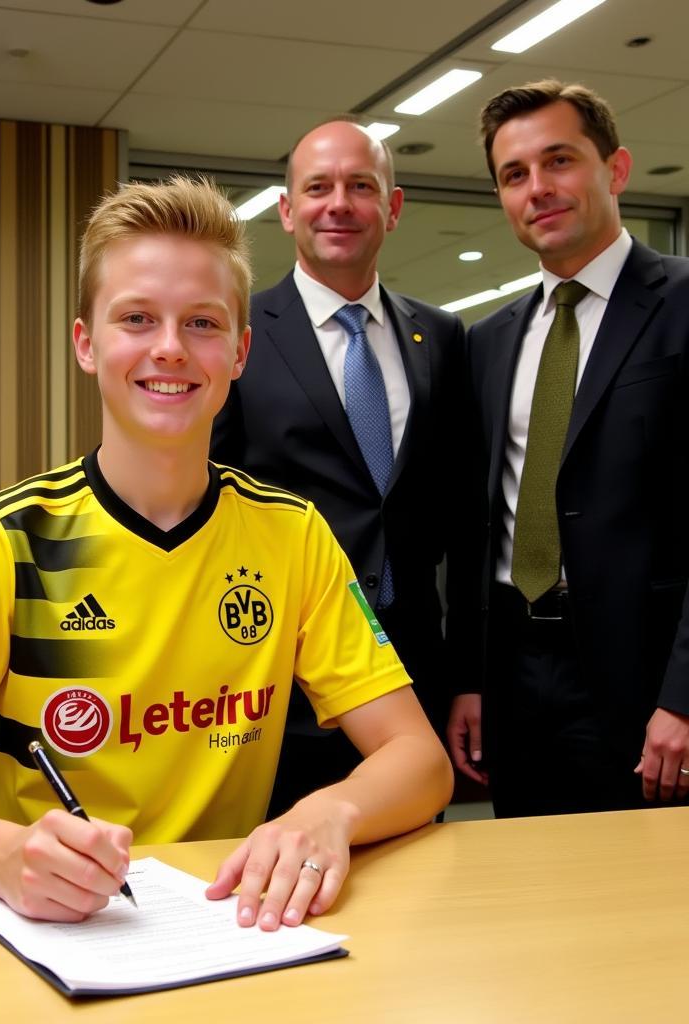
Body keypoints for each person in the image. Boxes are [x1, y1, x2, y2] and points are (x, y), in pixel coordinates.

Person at [0, 176, 452, 930]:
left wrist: (331, 812)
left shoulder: (293, 536)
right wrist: (1, 856)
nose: (169, 348)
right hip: (43, 932)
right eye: (136, 318)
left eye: (201, 322)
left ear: (239, 351)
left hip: (226, 927)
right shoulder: (0, 540)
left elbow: (419, 759)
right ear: (87, 344)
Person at [212, 117, 468, 814]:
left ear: (392, 205)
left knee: (415, 876)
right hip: (278, 675)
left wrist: (466, 675)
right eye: (318, 187)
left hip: (410, 676)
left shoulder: (439, 336)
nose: (340, 204)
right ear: (288, 210)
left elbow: (462, 516)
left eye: (361, 185)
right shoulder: (236, 335)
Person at [447, 80, 689, 816]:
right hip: (514, 676)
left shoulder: (682, 305)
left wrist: (684, 698)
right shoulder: (488, 342)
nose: (538, 189)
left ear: (614, 169)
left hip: (645, 684)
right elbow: (473, 525)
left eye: (559, 161)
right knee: (525, 889)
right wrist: (470, 678)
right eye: (514, 175)